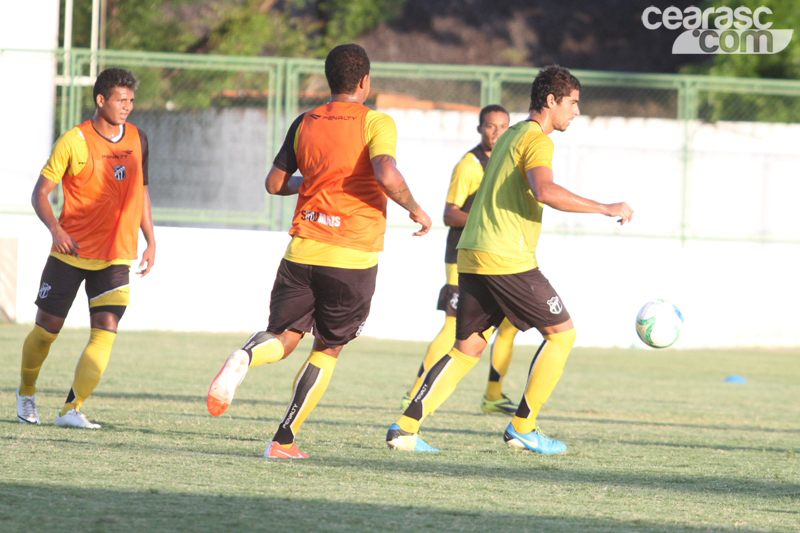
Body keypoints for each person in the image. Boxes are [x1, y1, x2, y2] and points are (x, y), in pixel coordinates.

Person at [386, 65, 633, 454]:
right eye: (572, 103)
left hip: (472, 253)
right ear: (551, 101)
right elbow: (545, 190)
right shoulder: (536, 139)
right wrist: (605, 207)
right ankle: (523, 426)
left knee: (466, 347)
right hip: (506, 256)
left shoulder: (511, 134)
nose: (576, 111)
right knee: (562, 334)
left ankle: (405, 427)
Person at [206, 44, 431, 460]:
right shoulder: (376, 122)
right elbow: (385, 172)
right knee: (327, 349)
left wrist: (308, 187)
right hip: (350, 257)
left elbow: (275, 184)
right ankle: (283, 440)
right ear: (364, 81)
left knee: (284, 337)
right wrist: (415, 208)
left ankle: (244, 355)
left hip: (302, 249)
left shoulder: (304, 121)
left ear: (331, 80)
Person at [16, 67, 156, 429]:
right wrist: (56, 231)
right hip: (71, 253)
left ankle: (71, 409)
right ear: (100, 100)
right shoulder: (73, 141)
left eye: (131, 100)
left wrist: (151, 240)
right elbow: (40, 194)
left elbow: (140, 191)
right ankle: (26, 392)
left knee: (106, 329)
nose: (127, 106)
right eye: (120, 100)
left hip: (115, 256)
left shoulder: (139, 139)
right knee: (47, 331)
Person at [400, 105, 522, 416]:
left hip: (495, 255)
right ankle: (413, 394)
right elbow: (450, 213)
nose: (497, 132)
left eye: (504, 126)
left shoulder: (508, 164)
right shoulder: (469, 165)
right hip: (462, 255)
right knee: (453, 327)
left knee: (509, 324)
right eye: (491, 126)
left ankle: (493, 395)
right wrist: (486, 219)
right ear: (480, 129)